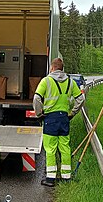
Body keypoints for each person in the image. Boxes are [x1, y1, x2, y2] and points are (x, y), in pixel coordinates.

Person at [33, 58, 85, 187]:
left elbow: (36, 98)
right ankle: (66, 176)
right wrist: (72, 113)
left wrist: (39, 114)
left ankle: (50, 178)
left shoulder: (46, 81)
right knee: (65, 147)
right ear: (62, 69)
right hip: (64, 119)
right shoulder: (71, 82)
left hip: (50, 119)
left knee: (50, 149)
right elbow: (80, 99)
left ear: (52, 68)